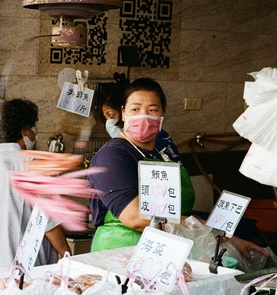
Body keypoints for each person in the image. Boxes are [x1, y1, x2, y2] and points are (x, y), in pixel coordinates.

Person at [89, 78, 264, 258]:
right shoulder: (112, 155)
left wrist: (231, 240)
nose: (144, 116)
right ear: (123, 113)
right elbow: (135, 217)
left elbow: (177, 214)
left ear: (162, 114)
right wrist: (204, 228)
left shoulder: (163, 155)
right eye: (135, 109)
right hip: (122, 252)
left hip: (163, 251)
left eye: (152, 110)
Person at [0, 98, 71, 275]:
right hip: (24, 270)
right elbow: (49, 221)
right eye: (32, 127)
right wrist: (66, 254)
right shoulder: (31, 164)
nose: (34, 133)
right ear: (23, 130)